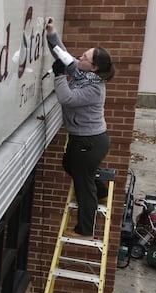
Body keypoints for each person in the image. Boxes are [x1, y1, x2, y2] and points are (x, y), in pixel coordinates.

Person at [45, 17, 115, 239]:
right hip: (84, 139)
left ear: (93, 66)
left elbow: (67, 98)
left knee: (84, 187)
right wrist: (51, 33)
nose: (80, 57)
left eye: (85, 57)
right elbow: (63, 55)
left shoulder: (95, 89)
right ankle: (101, 191)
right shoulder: (84, 72)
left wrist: (58, 75)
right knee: (69, 163)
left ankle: (85, 230)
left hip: (90, 142)